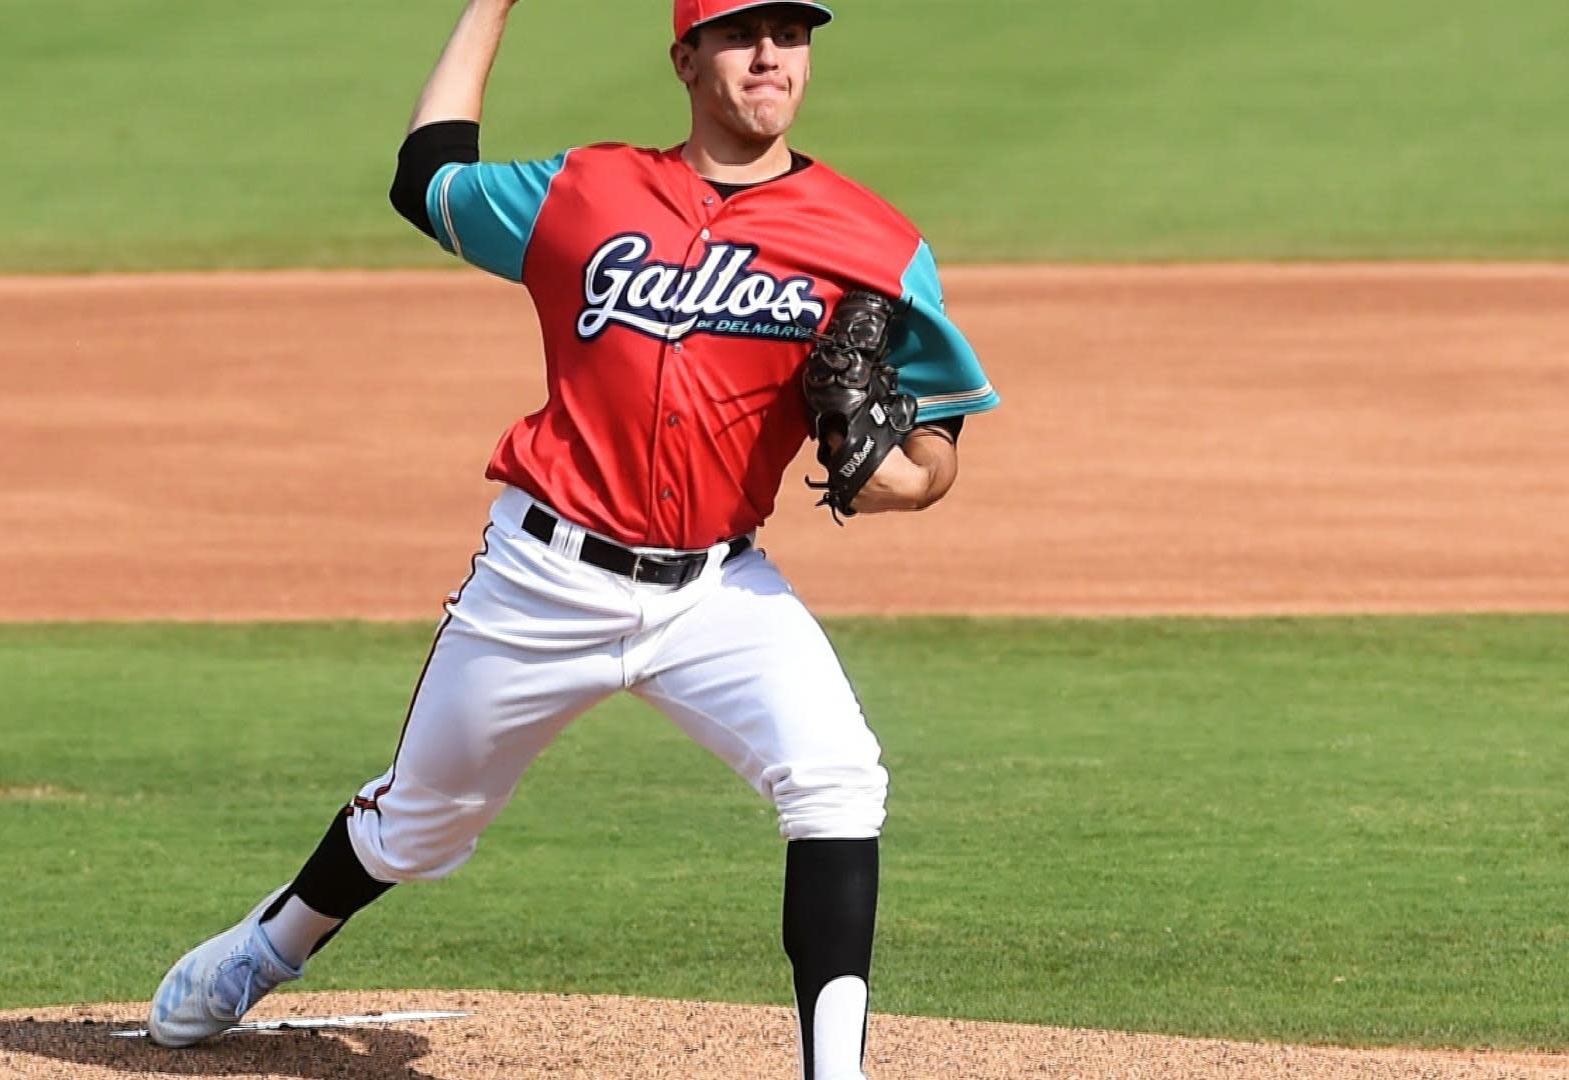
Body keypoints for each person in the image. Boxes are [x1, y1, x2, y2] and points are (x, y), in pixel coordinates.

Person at [147, 2, 998, 1076]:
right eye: (742, 33)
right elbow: (427, 176)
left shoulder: (874, 242)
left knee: (837, 779)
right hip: (541, 582)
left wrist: (890, 479)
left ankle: (837, 1071)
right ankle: (270, 946)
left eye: (792, 31)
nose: (773, 55)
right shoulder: (585, 192)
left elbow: (932, 455)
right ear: (686, 57)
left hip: (718, 596)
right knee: (417, 826)